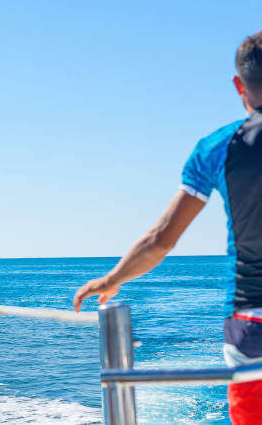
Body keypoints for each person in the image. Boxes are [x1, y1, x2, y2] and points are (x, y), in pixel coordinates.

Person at [73, 31, 262, 424]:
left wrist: (111, 279)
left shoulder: (216, 148)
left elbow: (161, 239)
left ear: (238, 85)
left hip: (251, 325)